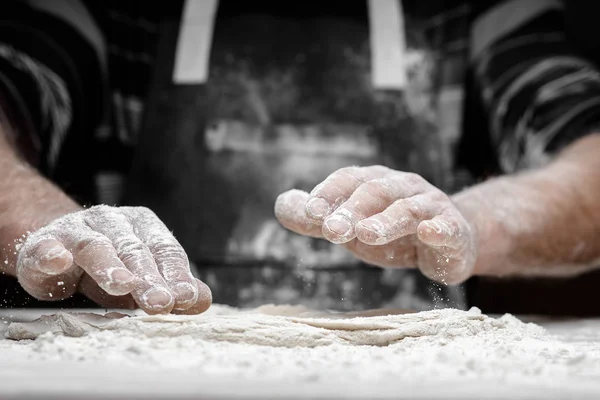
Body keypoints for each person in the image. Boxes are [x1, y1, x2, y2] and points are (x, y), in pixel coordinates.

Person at [1, 0, 598, 314]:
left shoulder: (465, 9)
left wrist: (476, 224)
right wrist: (51, 227)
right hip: (153, 369)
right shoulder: (118, 11)